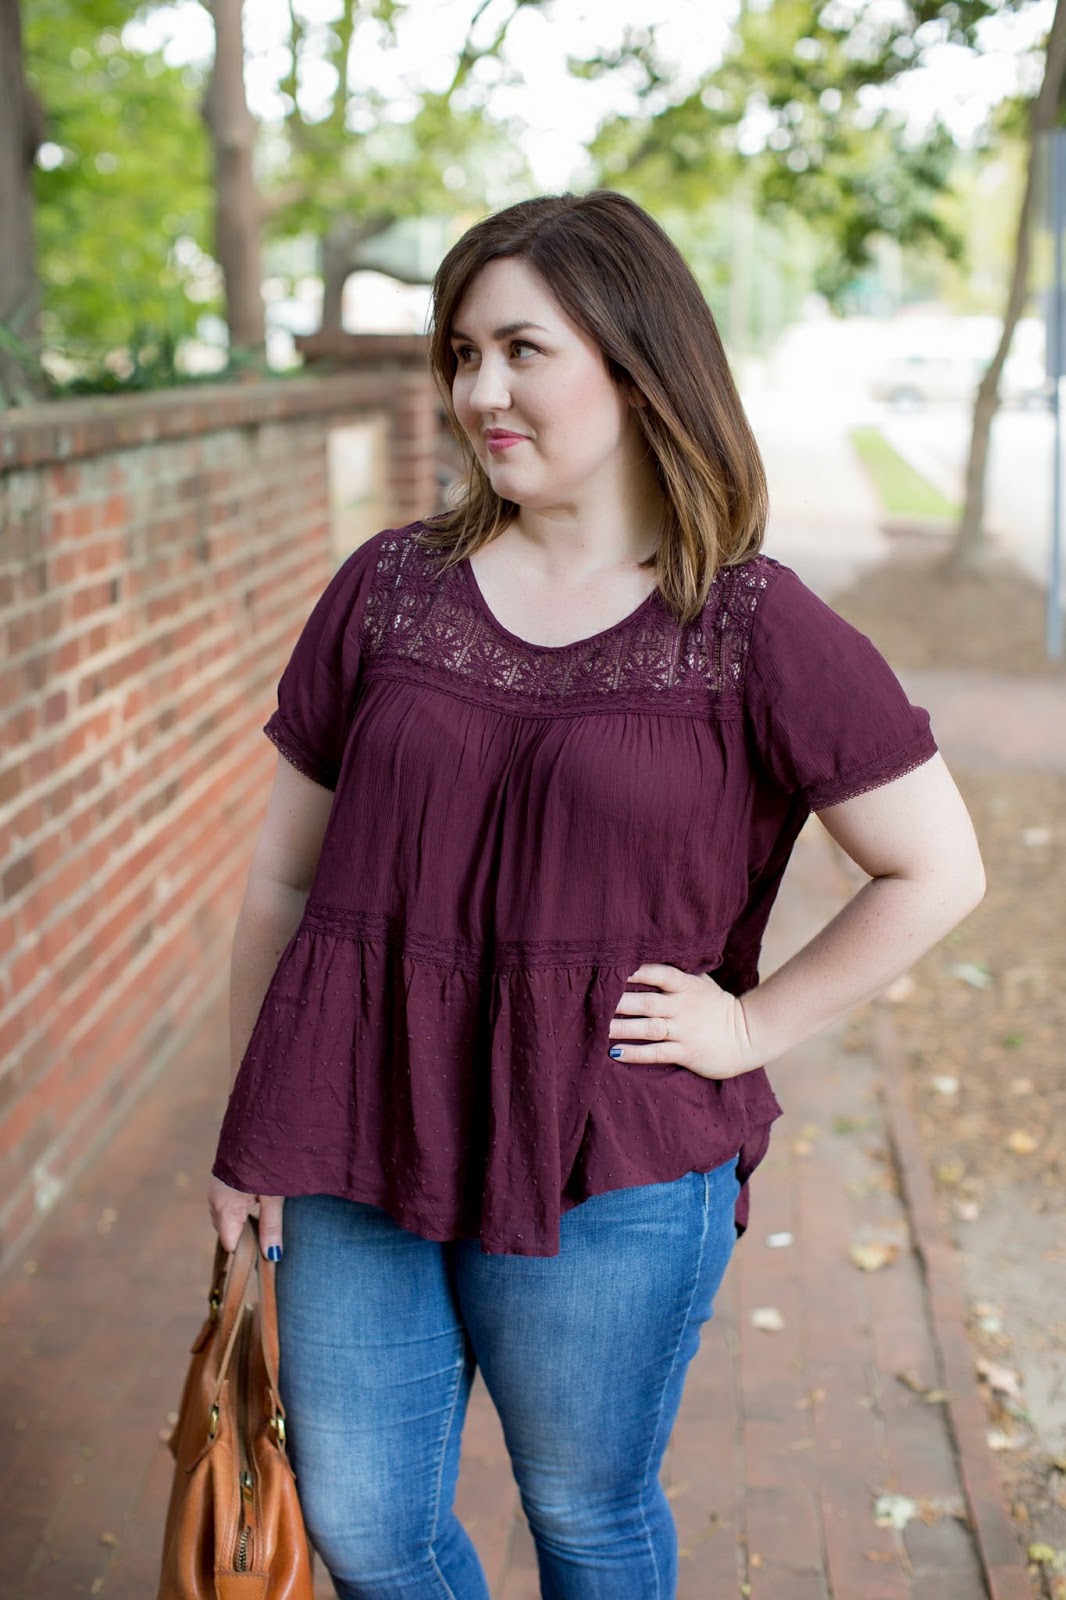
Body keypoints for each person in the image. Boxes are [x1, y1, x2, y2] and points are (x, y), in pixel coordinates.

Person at [207, 191, 984, 1600]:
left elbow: (934, 865)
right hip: (353, 1116)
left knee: (580, 1511)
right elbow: (282, 872)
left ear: (637, 364)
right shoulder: (386, 592)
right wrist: (246, 1122)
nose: (478, 391)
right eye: (459, 354)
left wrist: (748, 1030)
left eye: (521, 350)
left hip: (607, 1153)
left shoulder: (749, 625)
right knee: (366, 1526)